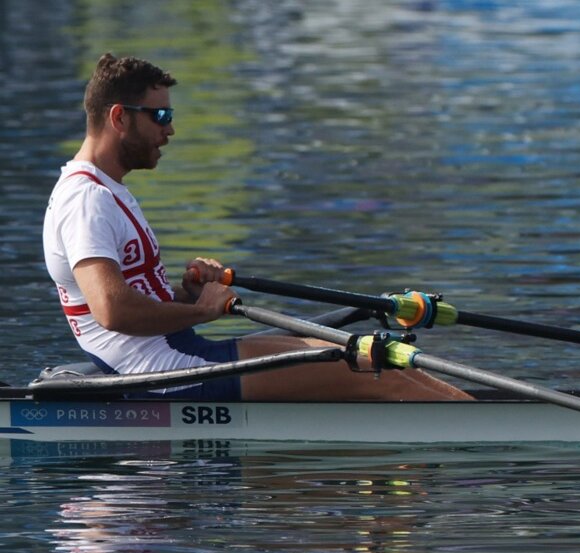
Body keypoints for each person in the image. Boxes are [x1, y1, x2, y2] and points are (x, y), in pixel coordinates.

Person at [43, 53, 472, 402]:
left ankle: (481, 427)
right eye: (160, 115)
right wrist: (201, 310)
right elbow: (112, 311)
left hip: (177, 351)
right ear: (119, 117)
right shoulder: (87, 200)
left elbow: (136, 298)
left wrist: (185, 294)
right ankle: (496, 453)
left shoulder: (108, 190)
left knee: (365, 357)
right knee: (373, 371)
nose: (170, 128)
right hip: (158, 372)